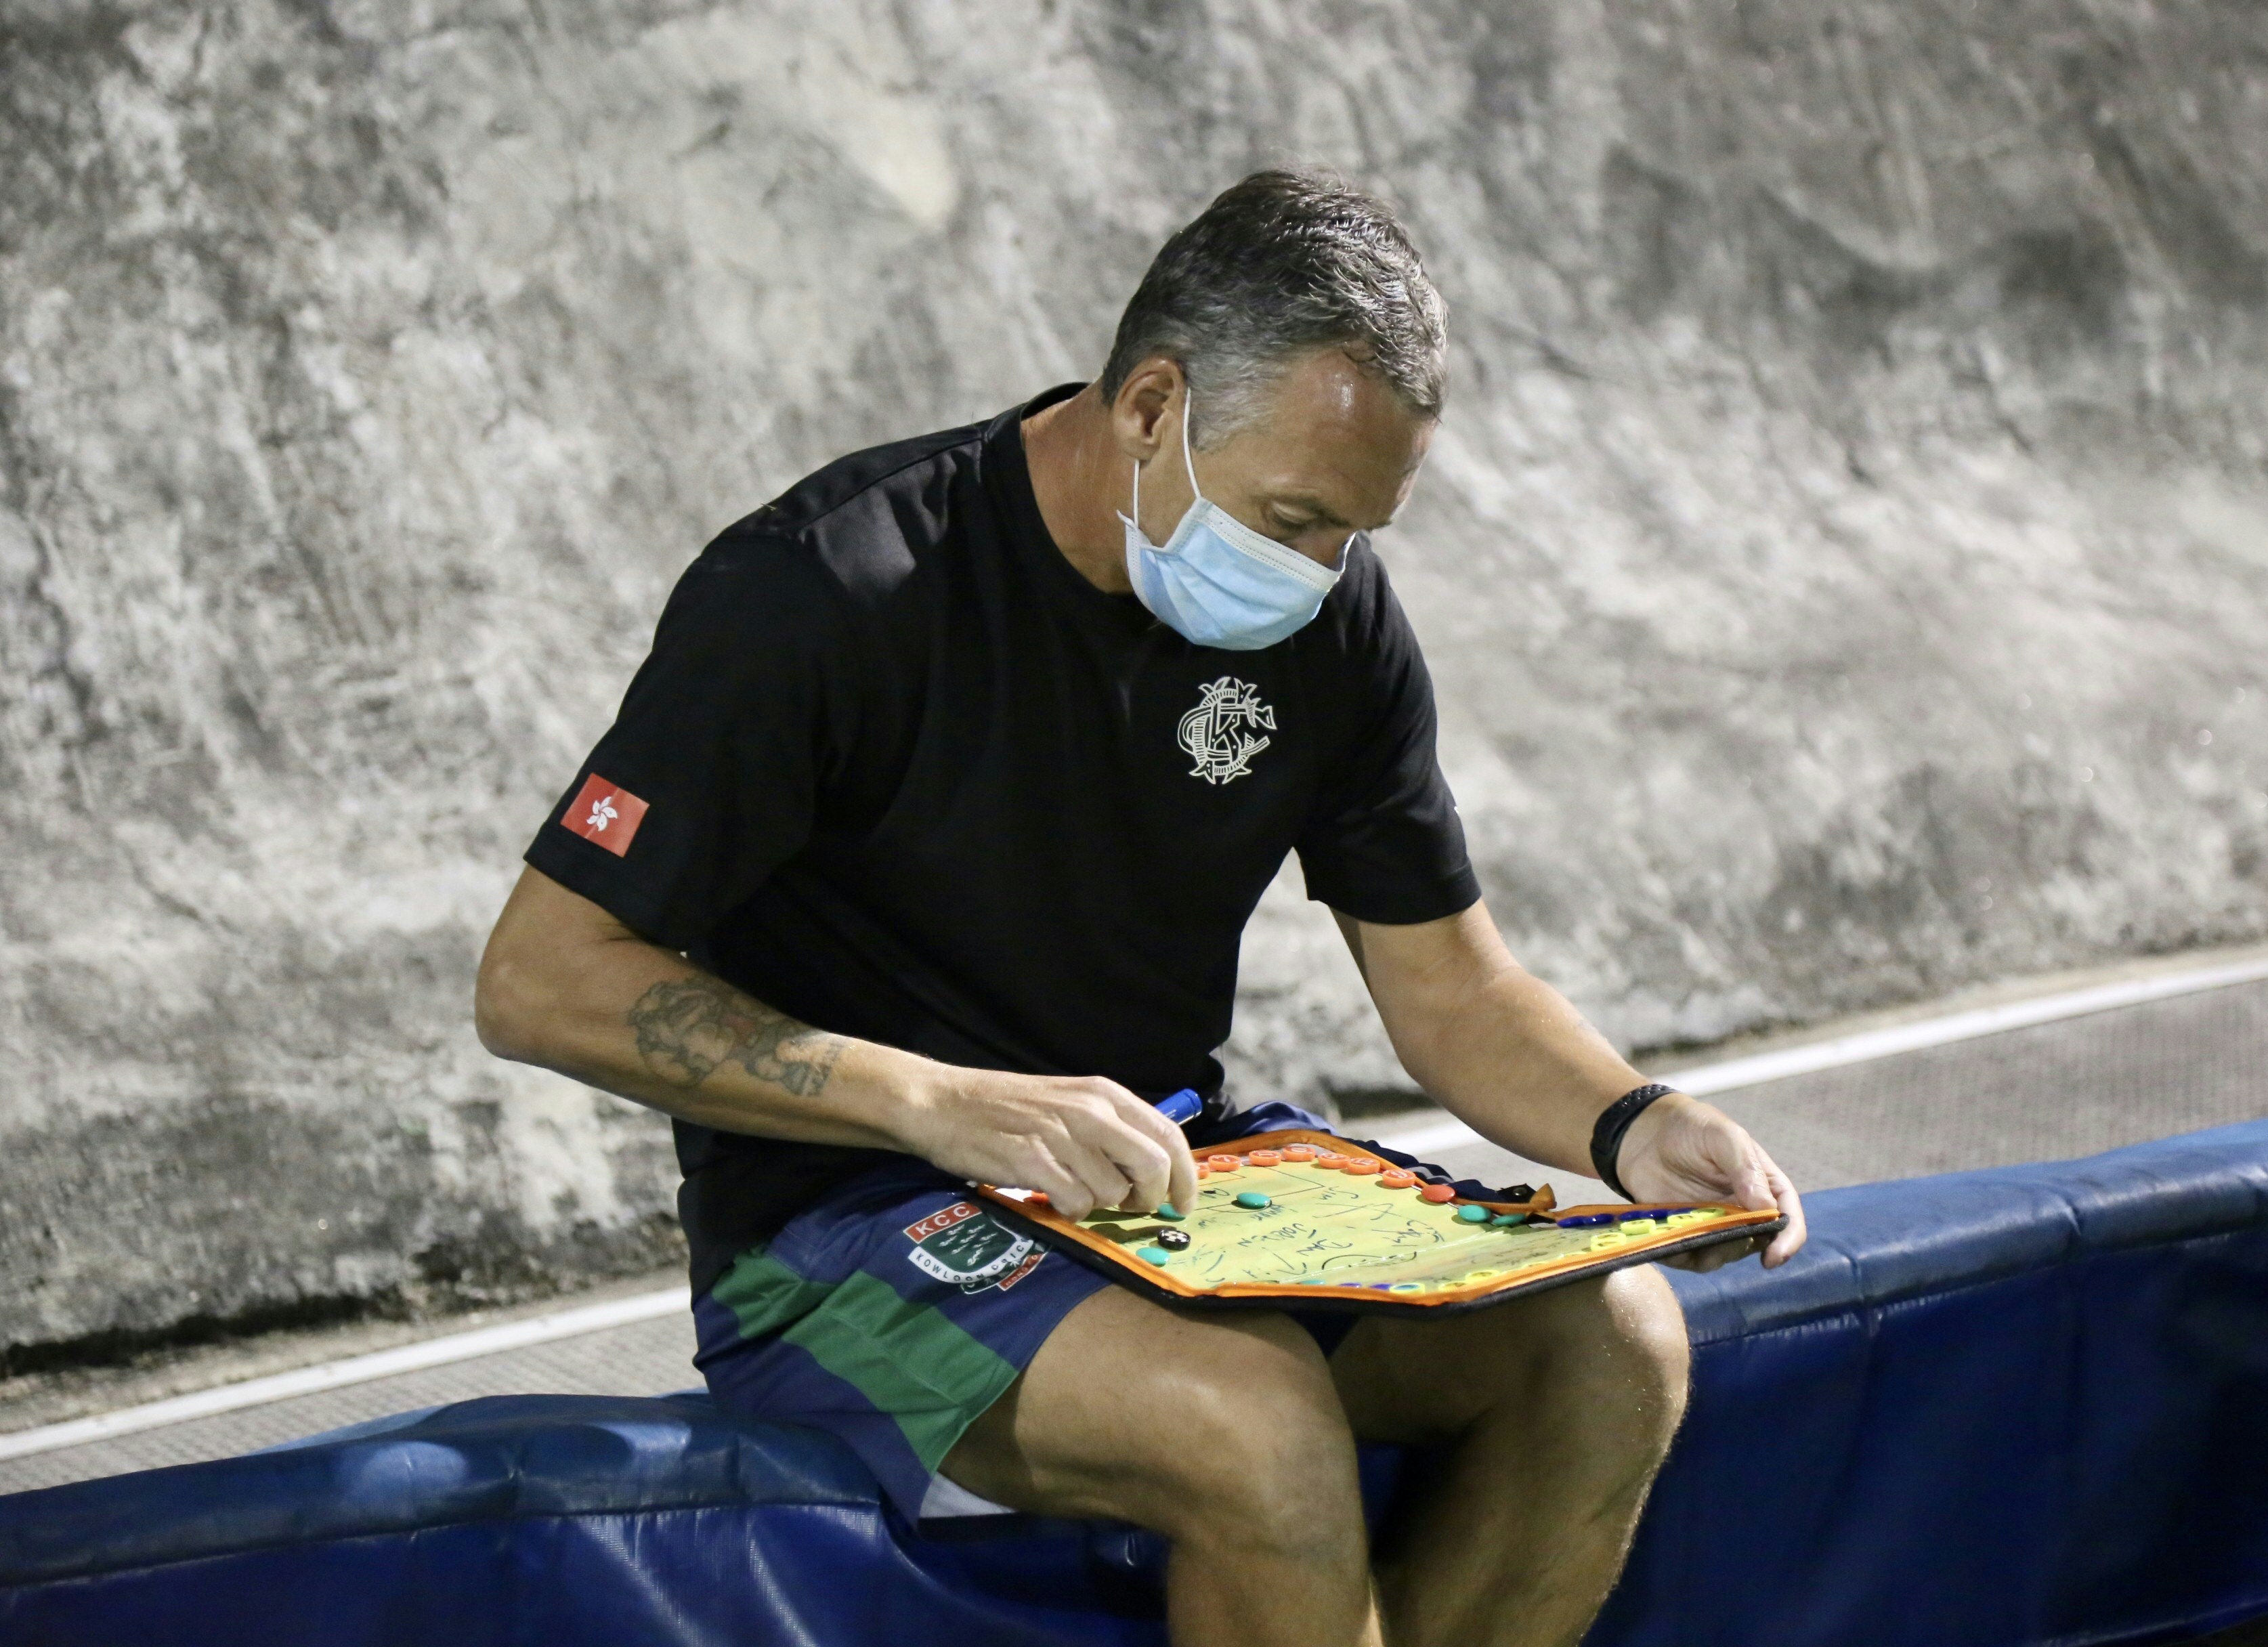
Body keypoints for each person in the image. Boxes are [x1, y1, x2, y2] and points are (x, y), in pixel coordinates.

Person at [475, 168, 1805, 1647]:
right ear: (1152, 406)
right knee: (1253, 1424)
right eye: (1294, 517)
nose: (1319, 576)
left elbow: (1456, 989)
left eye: (1354, 535)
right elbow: (539, 977)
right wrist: (936, 1102)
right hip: (834, 1235)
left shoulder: (1332, 618)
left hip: (1173, 1181)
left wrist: (1638, 1124)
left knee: (1613, 1341)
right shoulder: (828, 590)